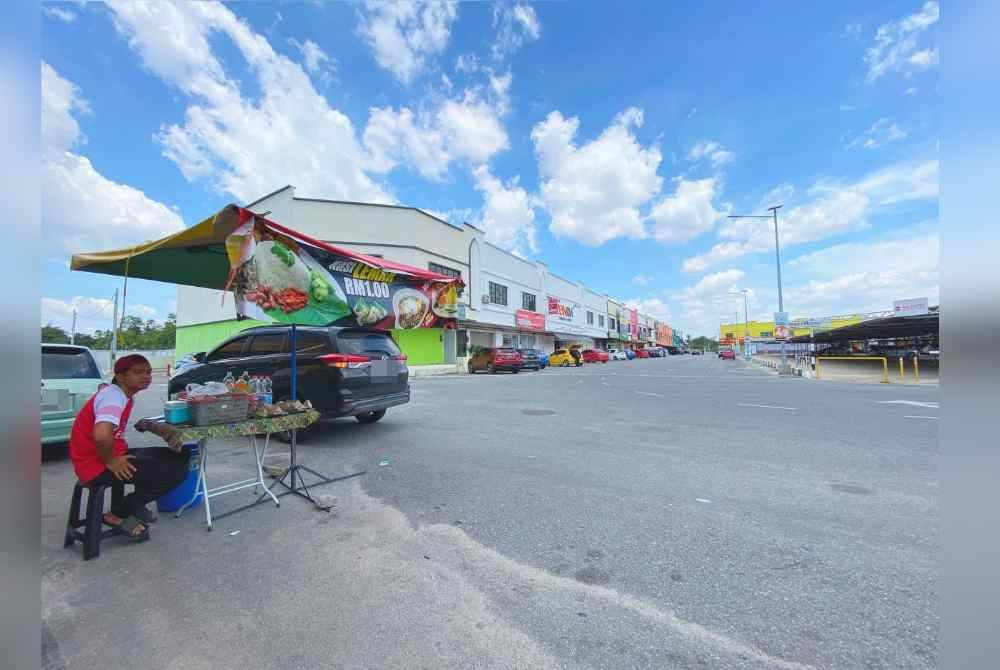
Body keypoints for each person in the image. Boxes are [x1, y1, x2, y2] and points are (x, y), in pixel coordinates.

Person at [69, 354, 188, 542]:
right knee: (173, 472)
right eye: (138, 372)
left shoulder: (123, 396)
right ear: (121, 376)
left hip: (111, 454)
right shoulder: (113, 396)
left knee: (180, 455)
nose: (146, 376)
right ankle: (119, 513)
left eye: (148, 372)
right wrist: (112, 461)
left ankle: (133, 505)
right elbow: (101, 435)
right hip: (95, 465)